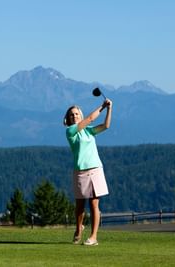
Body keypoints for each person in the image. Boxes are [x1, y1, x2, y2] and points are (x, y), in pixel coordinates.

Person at [63, 98, 113, 246]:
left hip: (95, 169)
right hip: (80, 172)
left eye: (77, 114)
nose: (74, 116)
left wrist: (109, 109)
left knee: (94, 204)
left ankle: (93, 237)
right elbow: (90, 118)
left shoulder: (89, 130)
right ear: (68, 118)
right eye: (72, 115)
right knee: (80, 206)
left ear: (80, 115)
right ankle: (78, 229)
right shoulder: (70, 131)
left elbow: (106, 125)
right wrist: (102, 106)